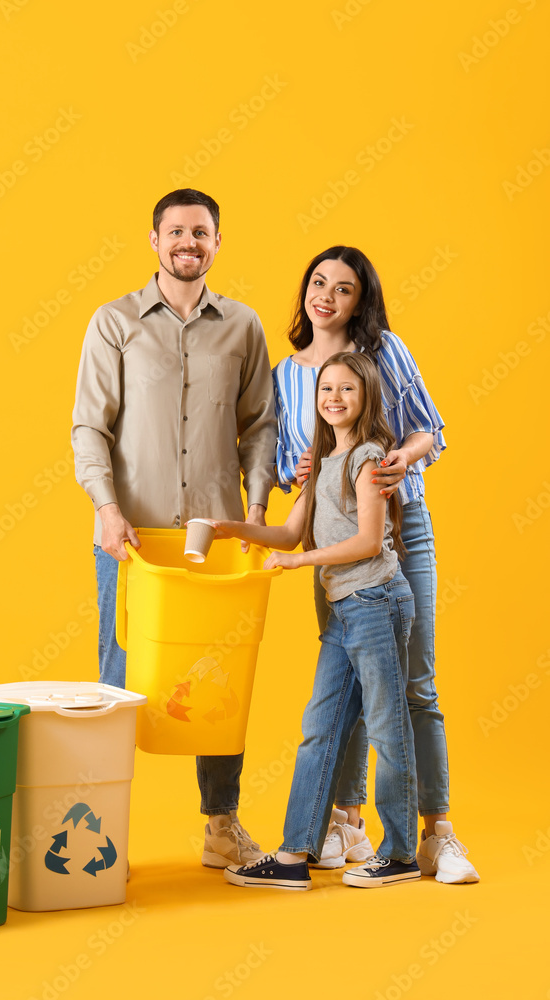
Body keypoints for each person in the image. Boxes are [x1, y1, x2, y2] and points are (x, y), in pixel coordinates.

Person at [71, 188, 277, 869]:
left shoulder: (243, 326)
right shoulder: (114, 323)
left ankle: (222, 826)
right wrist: (105, 507)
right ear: (154, 241)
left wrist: (256, 511)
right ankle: (103, 832)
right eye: (177, 232)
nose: (189, 242)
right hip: (131, 538)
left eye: (202, 233)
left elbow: (261, 427)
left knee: (219, 677)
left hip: (212, 541)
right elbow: (89, 426)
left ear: (218, 244)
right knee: (118, 680)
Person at [270, 247, 478, 884]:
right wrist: (297, 471)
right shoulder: (287, 372)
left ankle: (436, 832)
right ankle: (349, 823)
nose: (326, 296)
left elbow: (430, 432)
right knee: (352, 681)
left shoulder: (385, 348)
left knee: (415, 681)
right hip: (335, 541)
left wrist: (400, 460)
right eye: (317, 282)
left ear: (362, 300)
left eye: (344, 288)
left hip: (398, 528)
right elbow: (289, 464)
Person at [214, 351, 419, 889]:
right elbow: (285, 533)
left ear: (366, 397)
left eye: (347, 390)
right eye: (326, 389)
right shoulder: (322, 463)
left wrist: (301, 560)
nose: (334, 398)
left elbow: (369, 541)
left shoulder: (370, 457)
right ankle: (293, 856)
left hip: (375, 602)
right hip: (342, 611)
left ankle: (399, 855)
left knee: (386, 729)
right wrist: (228, 529)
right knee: (319, 730)